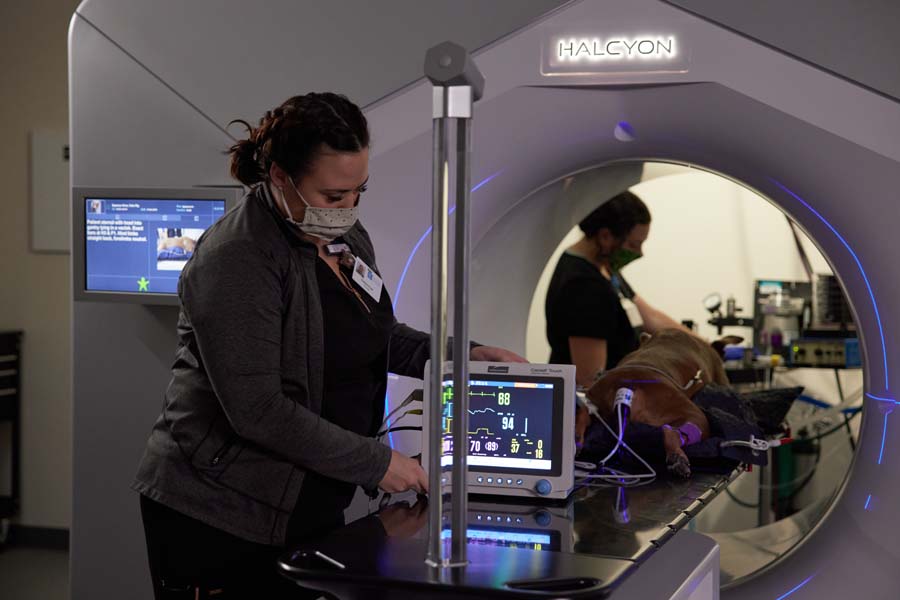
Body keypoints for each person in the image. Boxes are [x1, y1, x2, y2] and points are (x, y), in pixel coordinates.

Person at [132, 92, 524, 599]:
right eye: (333, 196)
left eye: (359, 191)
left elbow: (377, 337)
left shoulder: (346, 239)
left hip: (308, 495)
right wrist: (378, 463)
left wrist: (464, 354)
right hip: (220, 511)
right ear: (279, 177)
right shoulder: (237, 260)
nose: (348, 209)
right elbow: (258, 410)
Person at [545, 190, 687, 389]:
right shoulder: (584, 287)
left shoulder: (604, 267)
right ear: (605, 236)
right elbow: (590, 380)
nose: (639, 252)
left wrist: (702, 345)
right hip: (594, 409)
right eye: (634, 244)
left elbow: (650, 317)